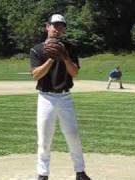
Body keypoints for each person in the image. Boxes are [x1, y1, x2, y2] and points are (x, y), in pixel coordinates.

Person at [29, 14, 91, 180]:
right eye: (54, 25)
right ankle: (43, 174)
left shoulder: (69, 48)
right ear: (47, 26)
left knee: (73, 134)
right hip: (46, 97)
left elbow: (75, 72)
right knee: (44, 138)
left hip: (65, 97)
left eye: (61, 26)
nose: (57, 29)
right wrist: (51, 58)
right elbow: (35, 74)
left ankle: (80, 172)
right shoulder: (37, 49)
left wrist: (64, 56)